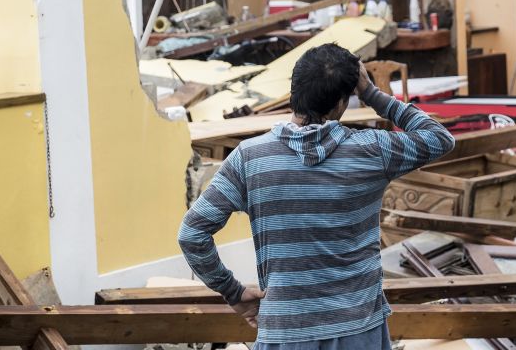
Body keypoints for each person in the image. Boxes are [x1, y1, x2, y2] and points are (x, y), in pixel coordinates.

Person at [178, 44, 456, 349]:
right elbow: (439, 138)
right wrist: (372, 94)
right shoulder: (373, 150)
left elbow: (192, 234)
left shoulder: (250, 159)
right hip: (357, 331)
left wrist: (232, 291)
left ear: (295, 90)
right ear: (341, 103)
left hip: (284, 334)